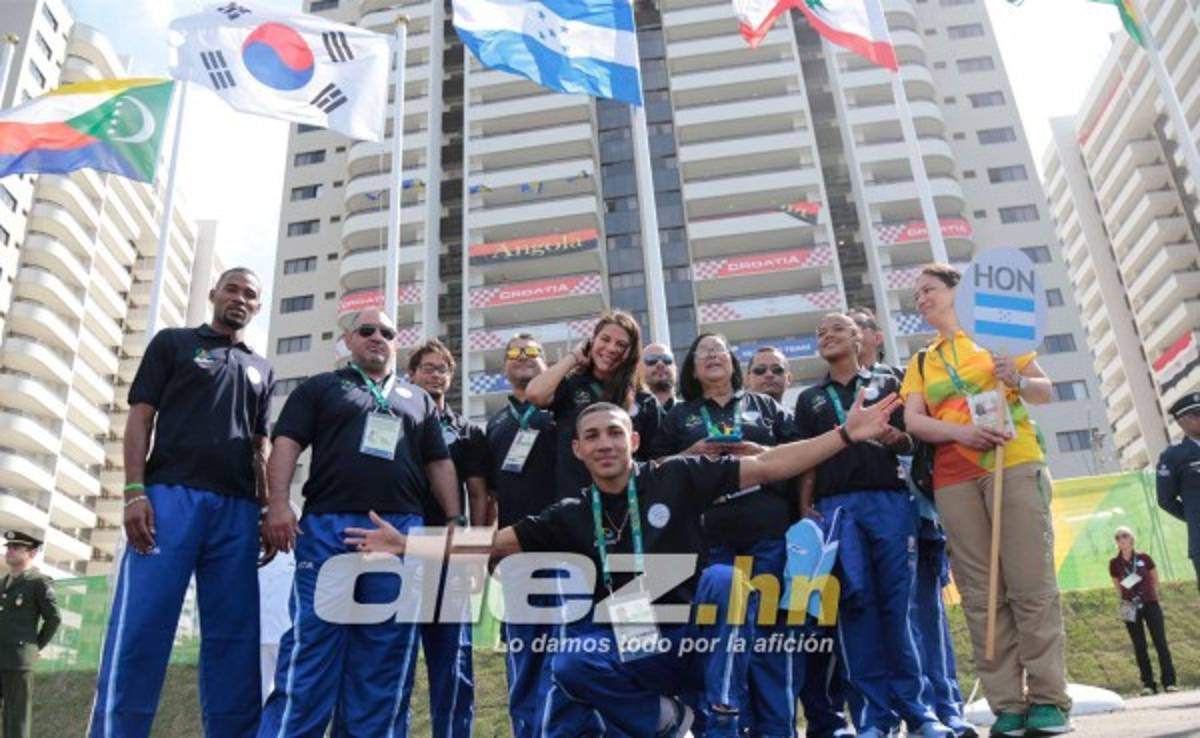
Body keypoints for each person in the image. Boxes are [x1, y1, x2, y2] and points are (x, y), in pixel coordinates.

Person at [346, 394, 903, 738]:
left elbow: (773, 463)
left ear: (633, 440)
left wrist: (845, 435)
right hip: (634, 647)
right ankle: (666, 722)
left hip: (697, 639)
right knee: (567, 664)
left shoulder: (676, 476)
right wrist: (408, 545)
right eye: (592, 436)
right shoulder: (569, 515)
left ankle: (722, 719)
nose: (605, 442)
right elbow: (491, 543)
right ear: (579, 452)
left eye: (615, 432)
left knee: (723, 580)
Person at [259, 309, 462, 737]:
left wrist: (453, 521)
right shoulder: (322, 387)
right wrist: (277, 505)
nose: (377, 337)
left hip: (399, 533)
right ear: (348, 341)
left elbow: (439, 462)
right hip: (328, 527)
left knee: (385, 659)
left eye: (386, 332)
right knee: (313, 651)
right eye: (366, 330)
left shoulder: (417, 399)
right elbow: (286, 443)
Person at [89, 267, 273, 738]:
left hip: (237, 511)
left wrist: (268, 507)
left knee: (234, 642)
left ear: (257, 307)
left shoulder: (262, 368)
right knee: (142, 630)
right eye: (231, 288)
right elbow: (140, 418)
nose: (239, 298)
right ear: (214, 294)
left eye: (249, 294)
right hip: (170, 499)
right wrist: (134, 491)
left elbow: (259, 446)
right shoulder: (173, 343)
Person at [901, 264, 1071, 737]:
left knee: (1030, 585)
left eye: (929, 290)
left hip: (1013, 464)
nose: (921, 299)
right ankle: (1007, 706)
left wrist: (1014, 378)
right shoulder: (922, 362)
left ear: (959, 293)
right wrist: (962, 432)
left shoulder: (999, 338)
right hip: (953, 479)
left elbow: (1044, 391)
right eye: (916, 295)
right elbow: (915, 422)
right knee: (981, 595)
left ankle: (1049, 701)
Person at [794, 313, 949, 738]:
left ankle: (919, 714)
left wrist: (889, 438)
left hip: (891, 503)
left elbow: (912, 443)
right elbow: (807, 456)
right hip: (836, 509)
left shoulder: (889, 383)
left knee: (900, 607)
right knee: (854, 607)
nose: (827, 335)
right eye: (820, 331)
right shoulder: (810, 398)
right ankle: (873, 718)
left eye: (837, 329)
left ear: (859, 337)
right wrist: (805, 505)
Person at [652, 332, 802, 737]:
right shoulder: (678, 417)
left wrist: (761, 456)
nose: (713, 356)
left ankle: (777, 730)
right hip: (710, 545)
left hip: (768, 535)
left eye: (720, 350)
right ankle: (727, 728)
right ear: (693, 369)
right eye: (704, 352)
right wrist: (689, 455)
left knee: (771, 640)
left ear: (734, 364)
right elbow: (651, 471)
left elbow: (802, 459)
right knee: (722, 642)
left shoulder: (765, 406)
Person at [406, 338, 488, 738]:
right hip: (400, 547)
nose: (435, 374)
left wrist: (475, 551)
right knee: (394, 657)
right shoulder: (396, 418)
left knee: (453, 661)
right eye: (428, 367)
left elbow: (478, 494)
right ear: (411, 374)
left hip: (450, 553)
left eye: (443, 369)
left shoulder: (468, 432)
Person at [483, 333, 562, 737]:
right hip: (516, 554)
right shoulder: (495, 424)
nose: (524, 357)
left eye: (534, 351)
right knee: (525, 655)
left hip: (569, 551)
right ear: (504, 368)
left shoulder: (564, 411)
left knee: (571, 654)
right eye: (514, 352)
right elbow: (488, 494)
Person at [525, 310, 662, 498]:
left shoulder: (644, 400)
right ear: (592, 341)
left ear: (631, 353)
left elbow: (654, 459)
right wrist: (573, 357)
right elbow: (534, 394)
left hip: (629, 504)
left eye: (621, 345)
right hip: (577, 504)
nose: (612, 348)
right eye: (605, 339)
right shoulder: (571, 385)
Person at [0, 531, 60, 738]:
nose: (10, 551)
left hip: (18, 660)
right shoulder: (2, 582)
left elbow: (54, 619)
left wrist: (34, 647)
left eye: (17, 548)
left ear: (32, 553)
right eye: (9, 547)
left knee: (16, 717)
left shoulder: (39, 582)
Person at [1108, 526, 1177, 695]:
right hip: (1128, 606)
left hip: (1150, 603)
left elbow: (1154, 579)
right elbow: (1118, 585)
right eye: (1118, 537)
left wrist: (1145, 594)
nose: (1121, 539)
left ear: (1131, 538)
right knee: (1139, 645)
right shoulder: (1114, 563)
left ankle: (1169, 682)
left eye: (1124, 536)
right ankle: (1148, 684)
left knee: (1160, 642)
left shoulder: (1144, 558)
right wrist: (1130, 596)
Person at [1156, 392, 1200, 592]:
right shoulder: (1174, 456)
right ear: (1183, 422)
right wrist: (1194, 517)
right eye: (1198, 414)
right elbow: (1166, 500)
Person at [846, 307, 902, 382]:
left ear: (877, 338)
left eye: (858, 325)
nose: (851, 332)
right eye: (843, 329)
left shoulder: (901, 377)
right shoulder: (828, 386)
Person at [643, 342, 678, 412]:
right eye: (651, 360)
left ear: (675, 368)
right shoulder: (628, 413)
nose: (660, 363)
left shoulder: (692, 412)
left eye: (667, 359)